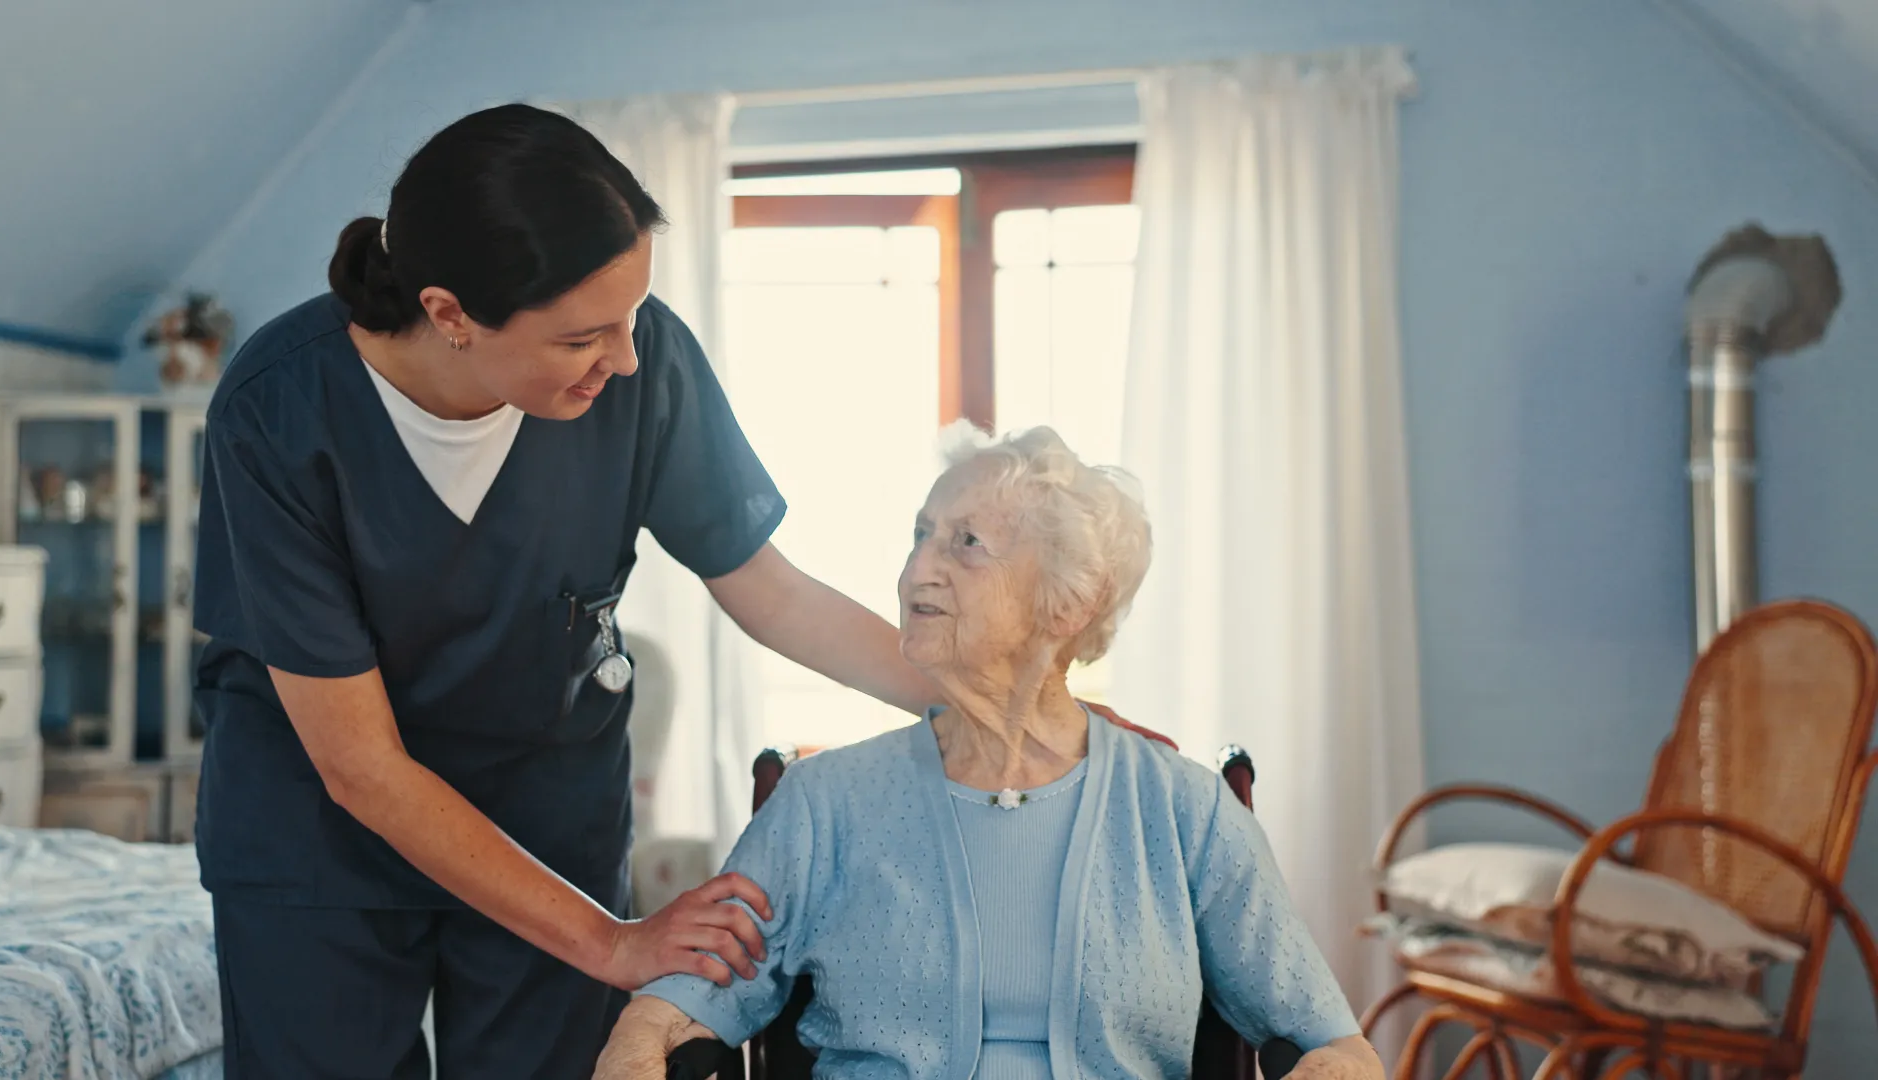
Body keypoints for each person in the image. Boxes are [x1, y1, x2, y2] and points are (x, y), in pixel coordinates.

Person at [192, 103, 955, 1079]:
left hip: (545, 820)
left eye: (633, 316)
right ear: (449, 314)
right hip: (320, 841)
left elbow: (771, 590)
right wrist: (614, 942)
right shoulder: (279, 411)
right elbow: (362, 769)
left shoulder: (643, 366)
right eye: (585, 337)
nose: (628, 358)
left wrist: (993, 701)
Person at [595, 425, 1385, 1080]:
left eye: (966, 543)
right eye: (919, 537)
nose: (916, 570)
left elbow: (1332, 1043)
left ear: (1071, 601)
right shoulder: (824, 802)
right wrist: (638, 1036)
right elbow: (675, 1008)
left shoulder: (1184, 812)